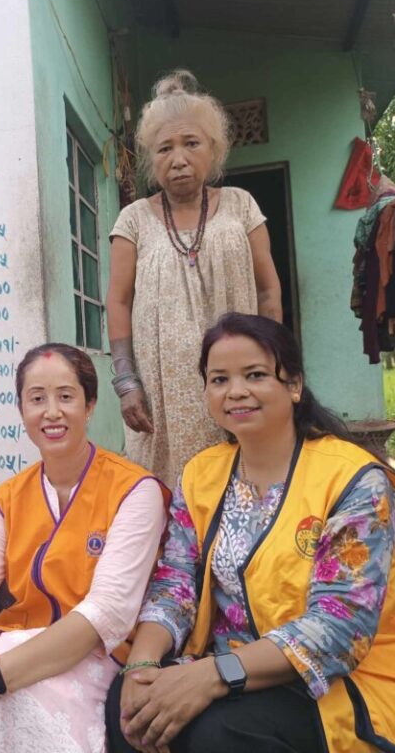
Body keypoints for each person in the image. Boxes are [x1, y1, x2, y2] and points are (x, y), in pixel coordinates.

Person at [106, 313, 395, 753]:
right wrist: (141, 666)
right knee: (129, 708)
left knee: (223, 733)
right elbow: (176, 584)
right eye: (219, 379)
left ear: (294, 385)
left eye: (255, 375)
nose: (236, 391)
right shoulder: (200, 475)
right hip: (231, 665)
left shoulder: (354, 480)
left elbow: (339, 627)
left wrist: (214, 675)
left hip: (346, 676)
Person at [0, 344, 169, 753]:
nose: (51, 412)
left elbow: (106, 611)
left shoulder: (135, 491)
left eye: (66, 396)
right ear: (22, 410)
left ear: (90, 405)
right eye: (37, 399)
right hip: (12, 643)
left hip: (91, 654)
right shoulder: (9, 497)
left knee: (17, 695)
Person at [106, 69, 283, 487]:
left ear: (214, 149)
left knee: (243, 484)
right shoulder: (133, 220)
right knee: (167, 494)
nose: (179, 159)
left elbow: (268, 289)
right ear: (151, 159)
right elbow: (118, 301)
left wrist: (276, 366)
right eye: (164, 148)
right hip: (162, 395)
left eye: (191, 143)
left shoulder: (241, 206)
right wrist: (127, 381)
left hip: (237, 381)